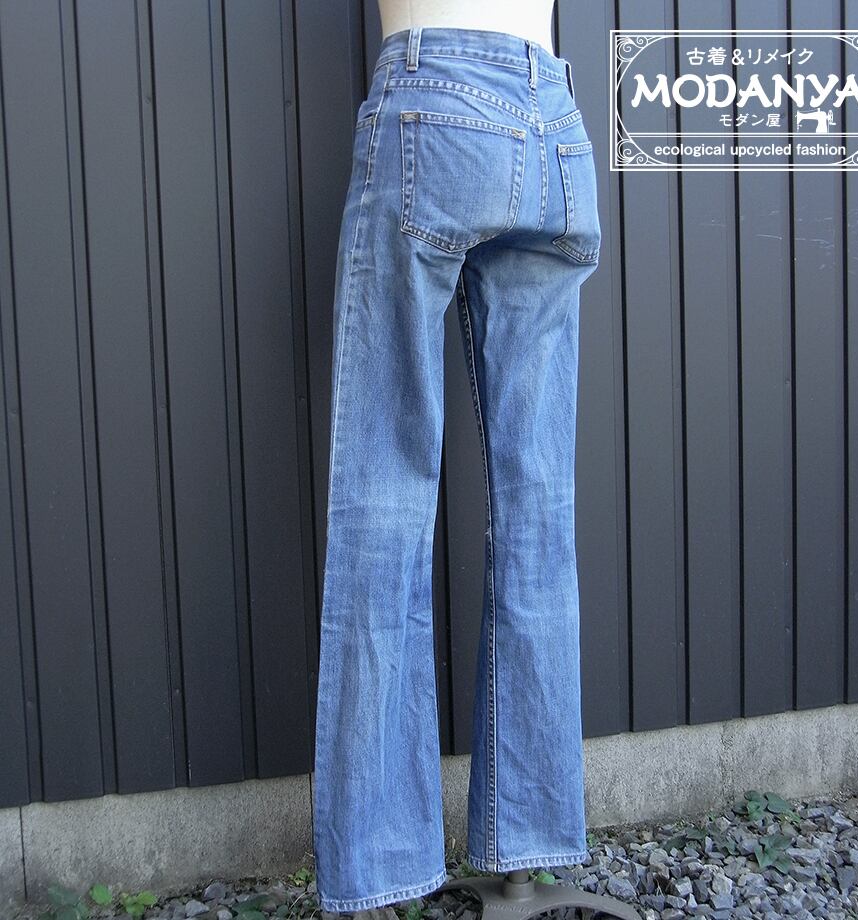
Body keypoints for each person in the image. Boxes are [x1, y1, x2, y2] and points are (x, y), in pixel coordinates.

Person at [312, 1, 603, 911]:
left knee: (385, 495)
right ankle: (526, 852)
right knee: (538, 506)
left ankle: (380, 866)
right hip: (555, 121)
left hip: (432, 93)